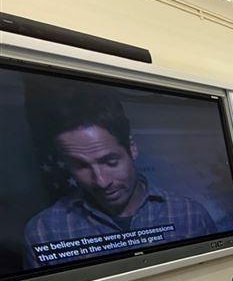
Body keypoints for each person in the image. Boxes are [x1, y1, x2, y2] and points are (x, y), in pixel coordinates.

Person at [22, 83, 216, 269]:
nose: (101, 181)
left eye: (110, 161)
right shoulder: (44, 231)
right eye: (81, 166)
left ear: (132, 147)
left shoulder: (189, 214)